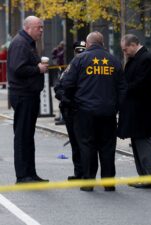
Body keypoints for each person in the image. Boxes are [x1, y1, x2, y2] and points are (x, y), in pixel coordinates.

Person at [61, 31, 124, 192]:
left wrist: (70, 102)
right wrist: (116, 107)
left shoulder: (80, 59)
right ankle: (109, 182)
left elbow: (67, 83)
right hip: (108, 112)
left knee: (87, 146)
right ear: (102, 43)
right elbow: (122, 88)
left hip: (84, 111)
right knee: (107, 147)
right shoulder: (114, 61)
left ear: (88, 44)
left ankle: (88, 181)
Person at [7, 16, 49, 183]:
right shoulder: (20, 43)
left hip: (29, 95)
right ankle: (23, 175)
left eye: (42, 27)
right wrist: (37, 69)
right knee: (23, 135)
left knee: (28, 136)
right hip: (23, 95)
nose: (41, 30)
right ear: (29, 27)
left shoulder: (27, 43)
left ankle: (30, 173)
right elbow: (18, 69)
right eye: (39, 27)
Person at [117, 34, 151, 189]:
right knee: (136, 144)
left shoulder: (145, 59)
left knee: (143, 145)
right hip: (136, 110)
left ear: (134, 44)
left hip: (142, 111)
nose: (125, 52)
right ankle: (143, 176)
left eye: (126, 49)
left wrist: (123, 90)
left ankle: (149, 178)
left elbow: (139, 84)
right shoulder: (136, 59)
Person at [54, 40, 86, 180]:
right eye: (78, 51)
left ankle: (86, 173)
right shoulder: (71, 66)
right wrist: (65, 100)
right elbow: (59, 87)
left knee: (84, 143)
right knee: (75, 143)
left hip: (83, 110)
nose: (80, 53)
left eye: (82, 50)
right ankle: (79, 172)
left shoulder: (89, 66)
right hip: (71, 109)